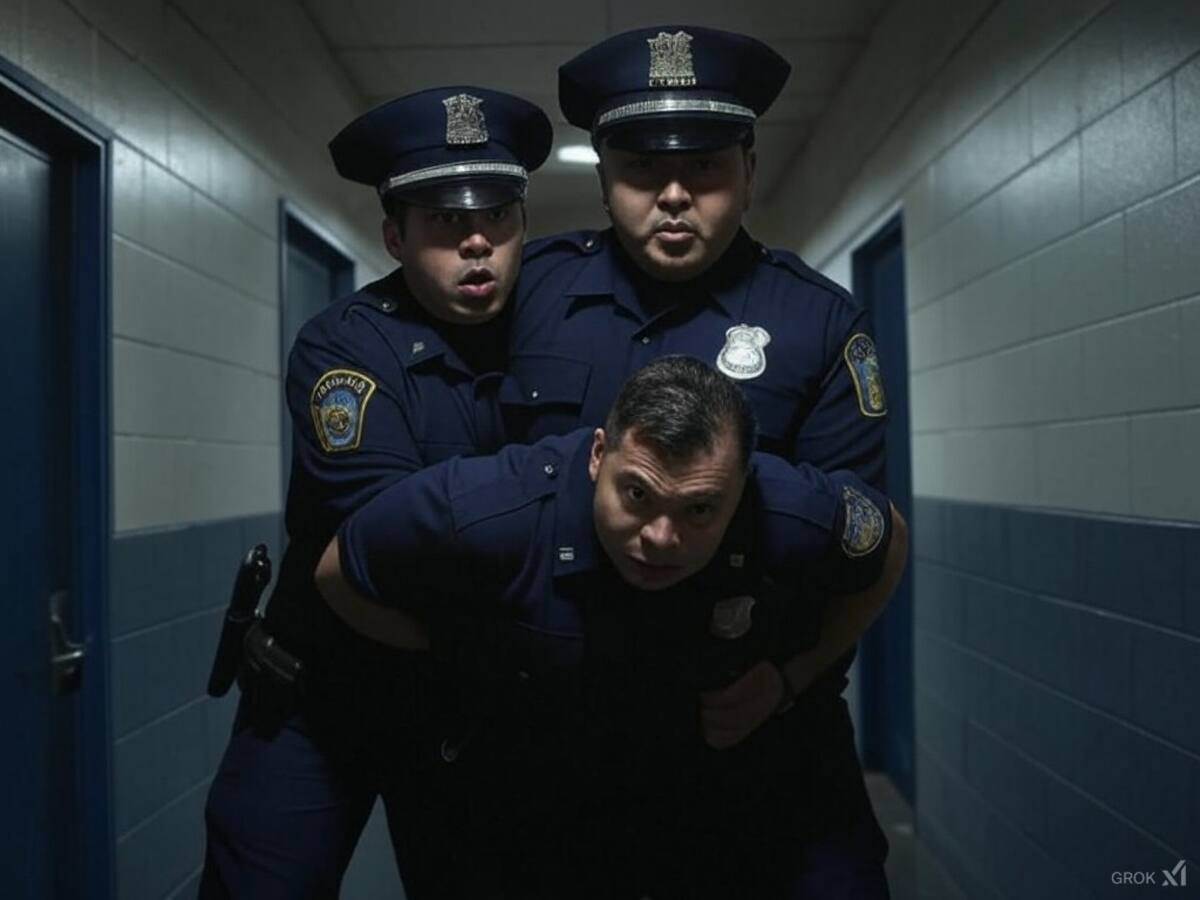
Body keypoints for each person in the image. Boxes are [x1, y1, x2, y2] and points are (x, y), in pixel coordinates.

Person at [500, 26, 896, 897]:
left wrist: (789, 680)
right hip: (561, 752)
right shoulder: (527, 300)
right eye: (642, 168)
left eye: (708, 168)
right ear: (602, 177)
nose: (674, 195)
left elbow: (871, 539)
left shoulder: (819, 323)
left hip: (760, 741)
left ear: (750, 172)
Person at [316, 356, 908, 899]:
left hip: (723, 790)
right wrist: (453, 651)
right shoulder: (491, 507)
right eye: (637, 494)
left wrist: (790, 679)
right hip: (543, 793)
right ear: (599, 455)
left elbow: (891, 545)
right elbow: (336, 573)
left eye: (699, 509)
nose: (660, 538)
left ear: (742, 486)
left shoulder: (790, 509)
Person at [199, 86, 552, 899]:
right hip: (318, 700)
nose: (476, 243)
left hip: (470, 704)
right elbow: (401, 541)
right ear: (394, 236)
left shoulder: (555, 334)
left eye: (498, 218)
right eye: (443, 223)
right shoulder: (344, 348)